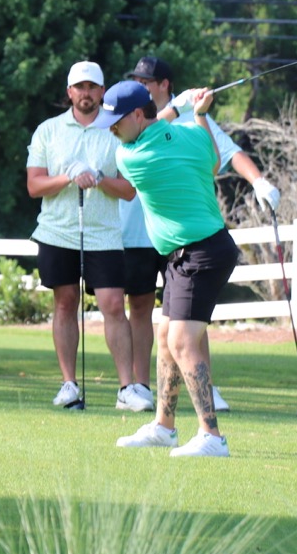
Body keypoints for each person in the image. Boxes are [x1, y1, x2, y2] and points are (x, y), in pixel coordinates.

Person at [120, 55, 282, 413]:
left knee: (186, 325)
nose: (141, 85)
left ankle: (201, 398)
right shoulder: (135, 136)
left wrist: (258, 180)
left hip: (189, 240)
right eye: (137, 80)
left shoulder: (185, 123)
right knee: (155, 319)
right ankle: (145, 397)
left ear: (164, 84)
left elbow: (224, 154)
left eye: (147, 80)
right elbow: (147, 130)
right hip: (141, 234)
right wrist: (183, 111)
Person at [92, 80, 240, 457]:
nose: (110, 128)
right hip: (187, 253)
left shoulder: (131, 157)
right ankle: (164, 426)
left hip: (200, 253)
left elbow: (167, 127)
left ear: (139, 116)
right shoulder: (190, 136)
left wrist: (181, 105)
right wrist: (200, 113)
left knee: (182, 340)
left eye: (116, 121)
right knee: (165, 337)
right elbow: (212, 161)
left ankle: (212, 436)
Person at [26, 61, 153, 412]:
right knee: (65, 304)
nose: (86, 93)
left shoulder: (116, 130)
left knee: (114, 305)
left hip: (104, 235)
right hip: (57, 231)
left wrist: (98, 177)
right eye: (79, 87)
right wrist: (68, 177)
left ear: (102, 91)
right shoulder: (48, 131)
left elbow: (128, 190)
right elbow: (34, 185)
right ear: (69, 92)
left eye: (92, 87)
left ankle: (126, 387)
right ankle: (69, 384)